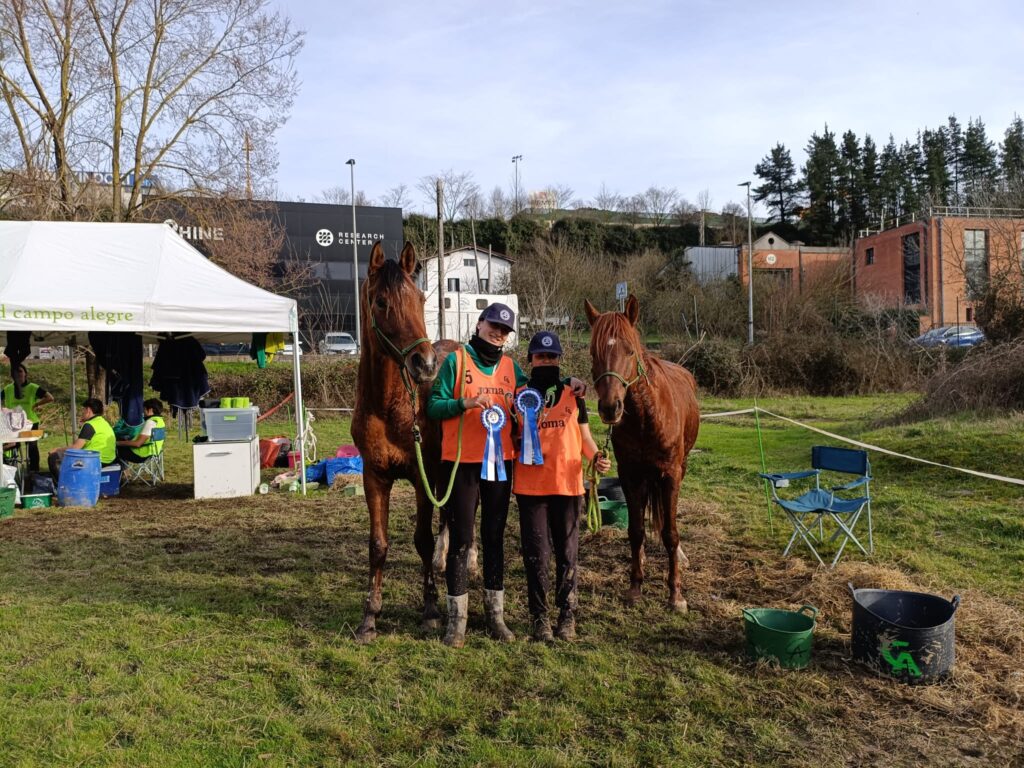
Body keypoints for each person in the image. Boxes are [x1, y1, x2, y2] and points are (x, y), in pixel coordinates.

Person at [427, 303, 585, 648]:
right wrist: (463, 405)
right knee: (463, 538)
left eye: (504, 330)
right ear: (480, 324)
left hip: (501, 465)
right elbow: (433, 406)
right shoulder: (457, 361)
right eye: (493, 326)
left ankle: (495, 616)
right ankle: (457, 621)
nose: (498, 333)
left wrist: (569, 381)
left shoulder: (512, 368)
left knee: (495, 537)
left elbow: (543, 389)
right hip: (461, 463)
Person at [514, 331, 611, 642]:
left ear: (559, 360)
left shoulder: (574, 392)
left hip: (568, 486)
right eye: (541, 357)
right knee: (537, 555)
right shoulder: (520, 394)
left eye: (552, 357)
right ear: (530, 360)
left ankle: (567, 616)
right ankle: (539, 618)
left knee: (568, 554)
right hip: (530, 487)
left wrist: (596, 457)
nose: (547, 361)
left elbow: (584, 437)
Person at [48, 398, 118, 480]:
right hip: (108, 459)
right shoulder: (104, 423)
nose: (82, 413)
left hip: (94, 460)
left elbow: (76, 448)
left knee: (53, 458)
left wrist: (57, 449)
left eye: (83, 410)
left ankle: (63, 484)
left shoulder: (90, 425)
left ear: (88, 410)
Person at [2, 363, 54, 472]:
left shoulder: (33, 387)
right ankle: (9, 469)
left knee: (32, 447)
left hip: (30, 423)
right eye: (15, 372)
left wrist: (37, 404)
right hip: (12, 424)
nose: (18, 374)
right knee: (10, 445)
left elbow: (50, 397)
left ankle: (34, 472)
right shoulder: (8, 388)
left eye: (20, 371)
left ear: (25, 373)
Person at [116, 398, 165, 464]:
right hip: (153, 452)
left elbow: (137, 444)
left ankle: (120, 471)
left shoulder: (151, 422)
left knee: (113, 448)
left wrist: (118, 443)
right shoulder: (160, 421)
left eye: (144, 409)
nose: (143, 412)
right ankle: (125, 471)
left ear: (150, 410)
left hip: (140, 454)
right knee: (122, 442)